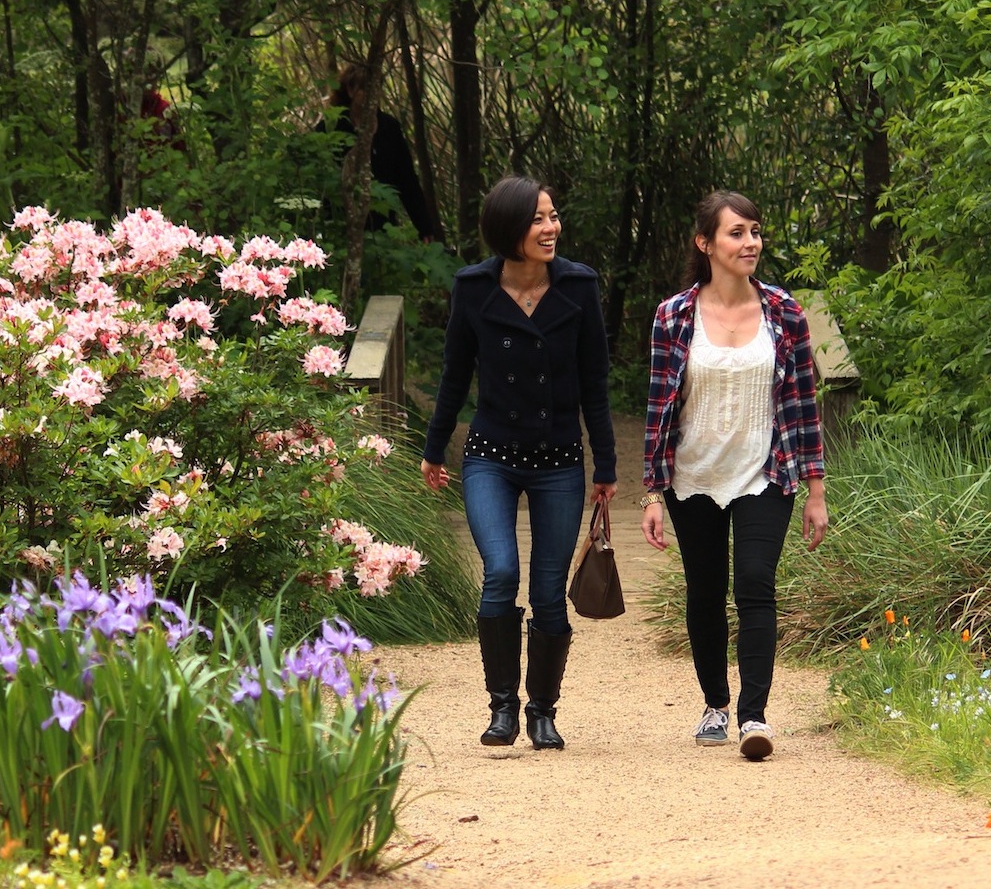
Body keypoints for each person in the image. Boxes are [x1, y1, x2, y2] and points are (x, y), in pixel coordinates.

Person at [421, 174, 617, 750]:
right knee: (502, 572)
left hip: (559, 460)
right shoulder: (473, 287)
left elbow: (596, 384)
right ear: (509, 227)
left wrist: (605, 466)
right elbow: (455, 375)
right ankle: (502, 707)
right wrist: (434, 451)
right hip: (491, 457)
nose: (551, 227)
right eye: (537, 219)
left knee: (549, 589)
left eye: (553, 216)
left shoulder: (579, 287)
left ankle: (543, 711)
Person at [640, 190, 828, 761]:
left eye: (755, 232)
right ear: (706, 244)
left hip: (765, 472)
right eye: (736, 233)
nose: (751, 243)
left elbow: (802, 404)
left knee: (755, 583)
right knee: (704, 590)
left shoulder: (784, 312)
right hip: (692, 473)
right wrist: (650, 490)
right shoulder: (673, 316)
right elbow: (657, 407)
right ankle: (715, 703)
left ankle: (754, 715)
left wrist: (816, 489)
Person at [325, 64, 442, 241]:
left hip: (384, 226)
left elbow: (407, 180)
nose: (372, 96)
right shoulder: (331, 128)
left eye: (376, 89)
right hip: (342, 226)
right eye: (365, 89)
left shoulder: (389, 128)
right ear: (350, 90)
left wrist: (424, 228)